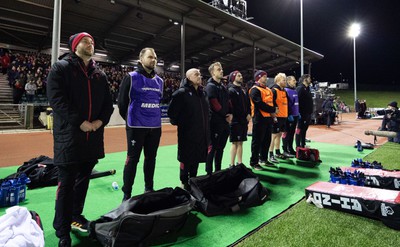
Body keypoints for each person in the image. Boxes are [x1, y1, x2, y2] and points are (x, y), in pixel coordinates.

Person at [46, 32, 114, 247]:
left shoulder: (99, 74)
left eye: (93, 41)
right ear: (75, 46)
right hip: (70, 135)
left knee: (83, 180)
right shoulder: (62, 68)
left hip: (92, 137)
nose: (90, 43)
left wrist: (99, 122)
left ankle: (76, 216)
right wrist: (80, 122)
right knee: (66, 184)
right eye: (86, 41)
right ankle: (62, 230)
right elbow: (57, 99)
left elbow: (107, 104)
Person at [118, 47, 163, 200]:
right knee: (132, 160)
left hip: (155, 127)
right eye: (150, 57)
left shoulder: (160, 81)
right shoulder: (131, 77)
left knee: (151, 159)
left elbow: (158, 101)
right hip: (136, 127)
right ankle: (127, 194)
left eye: (155, 57)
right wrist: (131, 120)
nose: (153, 60)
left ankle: (148, 188)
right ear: (141, 59)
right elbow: (122, 103)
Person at [168, 68, 209, 189]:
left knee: (196, 159)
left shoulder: (202, 94)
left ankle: (193, 181)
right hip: (187, 134)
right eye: (196, 74)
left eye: (200, 74)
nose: (199, 76)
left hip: (201, 134)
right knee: (186, 159)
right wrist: (184, 124)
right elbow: (172, 114)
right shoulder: (181, 93)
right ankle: (184, 182)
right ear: (189, 77)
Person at [205, 62, 232, 174]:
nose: (221, 71)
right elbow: (214, 104)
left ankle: (218, 171)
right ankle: (209, 173)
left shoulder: (223, 87)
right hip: (215, 123)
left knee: (221, 148)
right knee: (212, 149)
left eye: (221, 69)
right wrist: (226, 115)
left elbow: (229, 102)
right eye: (218, 69)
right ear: (212, 72)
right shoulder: (210, 86)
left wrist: (231, 113)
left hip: (225, 123)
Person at [249, 70, 277, 170]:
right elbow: (259, 104)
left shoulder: (268, 90)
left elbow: (271, 103)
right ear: (258, 78)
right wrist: (273, 110)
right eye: (264, 76)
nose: (266, 78)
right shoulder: (254, 89)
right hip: (259, 118)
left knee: (266, 140)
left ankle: (263, 159)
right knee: (257, 141)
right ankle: (254, 162)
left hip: (268, 118)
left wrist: (274, 115)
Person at [227, 70, 251, 167]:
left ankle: (240, 163)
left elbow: (248, 104)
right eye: (238, 75)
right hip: (235, 121)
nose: (241, 77)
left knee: (241, 142)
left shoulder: (243, 90)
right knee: (234, 143)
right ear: (233, 78)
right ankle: (231, 164)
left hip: (243, 120)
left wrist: (249, 113)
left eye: (241, 75)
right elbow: (230, 106)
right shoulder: (231, 90)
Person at [268, 73, 289, 164]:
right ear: (278, 81)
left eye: (285, 79)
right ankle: (271, 154)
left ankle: (277, 152)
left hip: (283, 116)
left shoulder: (284, 91)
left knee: (279, 134)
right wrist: (274, 116)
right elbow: (271, 104)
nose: (285, 81)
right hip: (276, 117)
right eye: (283, 80)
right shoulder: (274, 90)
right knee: (273, 136)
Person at [281, 75, 298, 156]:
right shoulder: (286, 91)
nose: (295, 81)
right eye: (293, 80)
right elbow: (286, 104)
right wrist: (288, 114)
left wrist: (298, 112)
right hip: (288, 116)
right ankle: (285, 149)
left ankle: (290, 148)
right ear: (288, 82)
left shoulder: (294, 90)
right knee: (286, 133)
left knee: (291, 133)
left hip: (295, 115)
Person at [295, 74, 313, 148]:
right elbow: (297, 100)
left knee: (304, 129)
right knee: (300, 129)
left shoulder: (307, 88)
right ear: (304, 79)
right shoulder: (300, 88)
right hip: (302, 113)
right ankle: (298, 146)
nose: (310, 80)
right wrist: (298, 112)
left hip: (307, 113)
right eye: (309, 78)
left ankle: (303, 144)